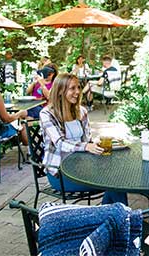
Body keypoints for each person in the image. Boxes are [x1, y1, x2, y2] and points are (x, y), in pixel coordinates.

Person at [40, 72, 127, 205]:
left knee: (116, 176)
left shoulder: (81, 111)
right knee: (114, 182)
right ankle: (119, 219)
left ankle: (110, 217)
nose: (77, 92)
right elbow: (59, 143)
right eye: (72, 88)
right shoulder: (47, 114)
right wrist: (86, 146)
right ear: (60, 91)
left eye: (78, 87)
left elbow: (87, 141)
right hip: (60, 174)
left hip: (83, 167)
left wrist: (94, 144)